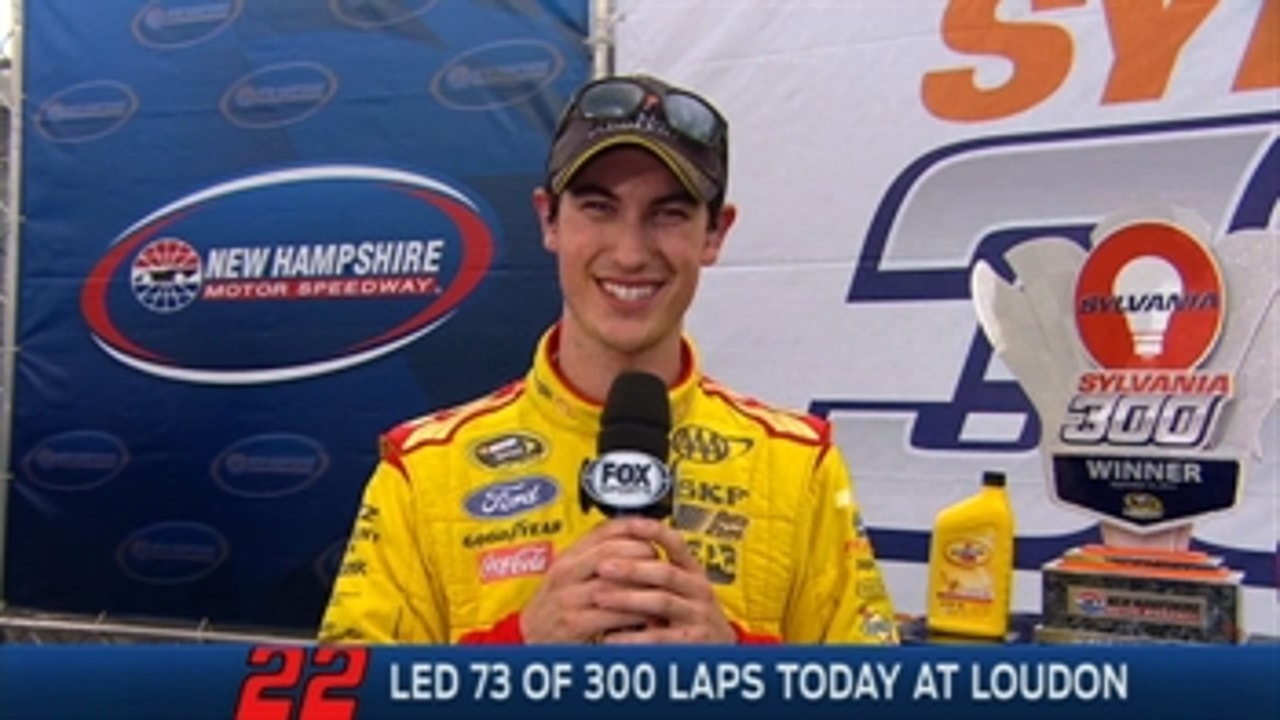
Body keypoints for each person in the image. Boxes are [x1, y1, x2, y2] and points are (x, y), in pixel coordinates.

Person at [318, 73, 899, 644]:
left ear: (715, 234)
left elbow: (874, 699)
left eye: (668, 214)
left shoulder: (799, 466)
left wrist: (738, 672)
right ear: (548, 219)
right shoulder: (422, 470)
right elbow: (345, 702)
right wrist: (516, 652)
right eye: (599, 208)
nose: (629, 252)